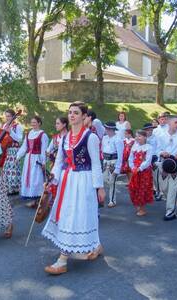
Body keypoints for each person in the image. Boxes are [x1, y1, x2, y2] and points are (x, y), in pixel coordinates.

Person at [42, 102, 105, 275]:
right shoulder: (64, 138)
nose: (71, 116)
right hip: (67, 181)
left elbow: (96, 164)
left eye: (76, 113)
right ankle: (96, 246)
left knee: (81, 215)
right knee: (69, 214)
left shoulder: (90, 137)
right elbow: (60, 162)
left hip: (83, 181)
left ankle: (62, 260)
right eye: (70, 112)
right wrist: (52, 179)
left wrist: (99, 187)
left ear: (84, 116)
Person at [156, 115, 177, 221]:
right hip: (164, 164)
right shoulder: (161, 136)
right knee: (164, 188)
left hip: (176, 165)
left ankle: (170, 212)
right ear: (169, 123)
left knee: (172, 189)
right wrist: (161, 152)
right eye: (176, 123)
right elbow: (157, 149)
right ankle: (176, 197)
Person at [16, 116, 49, 207]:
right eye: (32, 122)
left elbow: (44, 149)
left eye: (34, 122)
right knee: (29, 177)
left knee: (36, 178)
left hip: (37, 158)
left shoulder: (43, 135)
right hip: (28, 159)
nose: (33, 124)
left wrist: (43, 162)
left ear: (39, 123)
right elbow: (24, 147)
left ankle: (37, 198)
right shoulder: (28, 134)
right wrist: (18, 156)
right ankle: (31, 199)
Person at [128, 130, 154, 216]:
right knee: (134, 188)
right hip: (135, 171)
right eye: (136, 136)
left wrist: (140, 168)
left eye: (139, 136)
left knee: (142, 189)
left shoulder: (149, 147)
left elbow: (148, 160)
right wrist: (132, 167)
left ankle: (142, 208)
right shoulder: (134, 147)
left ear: (145, 137)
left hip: (144, 172)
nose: (137, 138)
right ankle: (138, 205)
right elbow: (130, 158)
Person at [1, 109, 24, 195]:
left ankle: (15, 189)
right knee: (6, 169)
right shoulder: (5, 126)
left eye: (9, 116)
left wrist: (11, 132)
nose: (7, 118)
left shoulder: (18, 126)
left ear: (13, 117)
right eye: (6, 116)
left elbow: (19, 139)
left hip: (15, 150)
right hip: (7, 149)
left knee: (13, 168)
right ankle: (7, 188)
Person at [102, 121, 124, 208]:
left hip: (113, 161)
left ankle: (112, 200)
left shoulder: (118, 139)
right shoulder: (105, 138)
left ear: (112, 129)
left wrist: (117, 168)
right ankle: (102, 197)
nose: (106, 130)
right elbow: (103, 149)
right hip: (105, 161)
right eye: (106, 128)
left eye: (107, 128)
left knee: (112, 182)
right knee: (103, 180)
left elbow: (120, 154)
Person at [143, 123, 160, 200]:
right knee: (146, 176)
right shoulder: (143, 138)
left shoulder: (156, 138)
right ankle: (148, 191)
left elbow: (158, 149)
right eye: (148, 130)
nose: (150, 131)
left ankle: (158, 192)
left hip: (154, 157)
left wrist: (157, 160)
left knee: (155, 176)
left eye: (151, 130)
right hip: (145, 158)